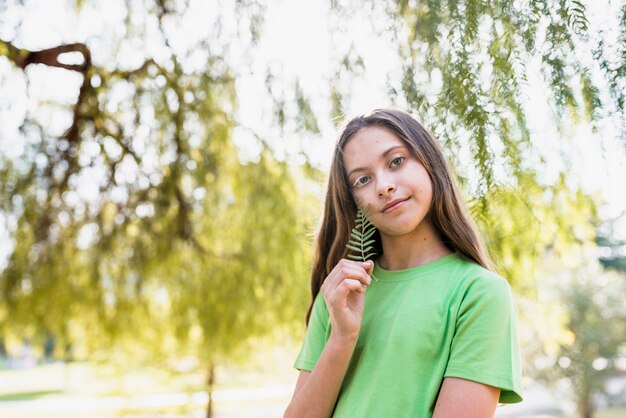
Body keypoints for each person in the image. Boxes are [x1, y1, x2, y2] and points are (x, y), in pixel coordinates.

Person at [284, 109, 523, 418]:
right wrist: (342, 337)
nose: (383, 186)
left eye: (396, 161)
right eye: (363, 179)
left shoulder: (478, 293)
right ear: (351, 200)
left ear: (429, 163)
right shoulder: (340, 293)